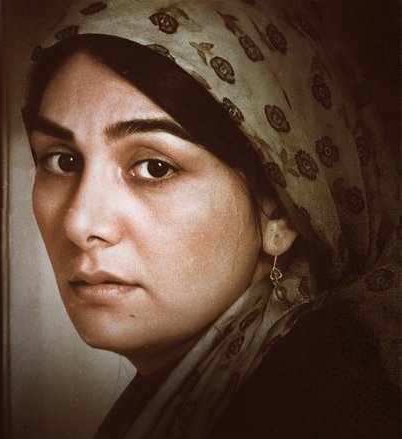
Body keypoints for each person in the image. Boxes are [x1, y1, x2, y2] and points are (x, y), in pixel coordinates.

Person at [22, 1, 400, 438]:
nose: (79, 223)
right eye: (62, 160)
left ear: (280, 212)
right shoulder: (199, 389)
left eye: (154, 168)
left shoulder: (321, 405)